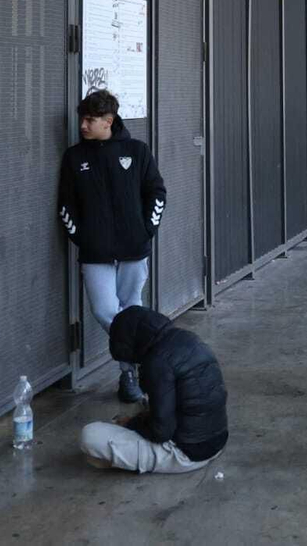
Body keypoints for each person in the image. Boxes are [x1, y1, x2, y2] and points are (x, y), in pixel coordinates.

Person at [59, 89, 167, 404]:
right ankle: (147, 358)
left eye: (90, 120)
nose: (83, 125)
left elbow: (156, 191)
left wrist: (146, 230)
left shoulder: (137, 151)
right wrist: (82, 238)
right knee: (105, 310)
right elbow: (66, 204)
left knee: (132, 307)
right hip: (95, 254)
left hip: (134, 249)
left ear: (108, 121)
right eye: (82, 118)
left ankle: (128, 374)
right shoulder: (74, 157)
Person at [80, 306, 227, 473]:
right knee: (145, 406)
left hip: (188, 454)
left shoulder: (157, 362)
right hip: (216, 441)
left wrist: (131, 423)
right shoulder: (188, 338)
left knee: (90, 435)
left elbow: (161, 432)